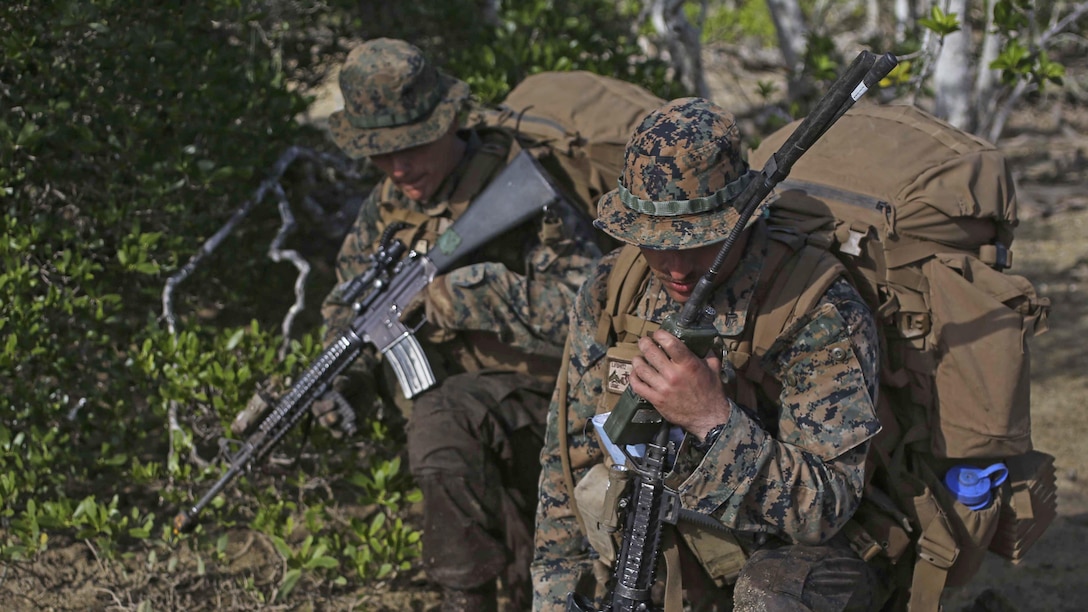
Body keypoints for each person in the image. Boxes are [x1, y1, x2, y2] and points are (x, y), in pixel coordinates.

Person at [532, 97, 892, 611]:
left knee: (769, 593)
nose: (677, 267)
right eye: (656, 242)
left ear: (741, 220)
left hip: (791, 561)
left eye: (700, 241)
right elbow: (565, 463)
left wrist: (712, 421)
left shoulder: (815, 308)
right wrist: (554, 597)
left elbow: (825, 510)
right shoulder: (613, 288)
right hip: (656, 552)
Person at [316, 38, 601, 611]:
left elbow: (593, 311)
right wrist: (342, 376)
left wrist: (468, 295)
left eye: (412, 145)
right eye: (380, 154)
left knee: (441, 424)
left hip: (558, 400)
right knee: (445, 426)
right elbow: (349, 306)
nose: (399, 168)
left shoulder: (524, 185)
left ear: (449, 122)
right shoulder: (387, 206)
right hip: (471, 413)